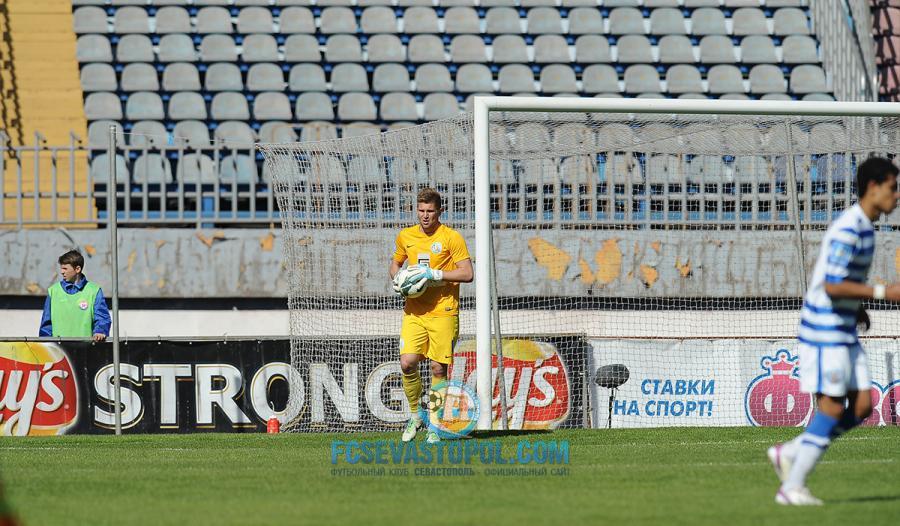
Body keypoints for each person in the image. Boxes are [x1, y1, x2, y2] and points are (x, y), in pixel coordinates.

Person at [767, 157, 900, 505]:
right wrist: (884, 292)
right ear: (873, 187)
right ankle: (792, 487)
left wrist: (859, 309)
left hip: (843, 329)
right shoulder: (849, 228)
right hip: (824, 330)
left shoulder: (866, 228)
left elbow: (844, 280)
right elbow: (831, 284)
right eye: (893, 187)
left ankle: (792, 450)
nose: (897, 195)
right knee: (830, 409)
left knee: (863, 407)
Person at [389, 188, 473, 444]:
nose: (425, 216)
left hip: (443, 312)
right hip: (414, 312)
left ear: (440, 211)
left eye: (430, 211)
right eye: (421, 210)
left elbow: (467, 273)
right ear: (416, 210)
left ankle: (435, 426)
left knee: (438, 368)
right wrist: (399, 280)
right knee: (407, 363)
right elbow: (395, 264)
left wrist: (435, 275)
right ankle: (416, 416)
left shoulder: (451, 237)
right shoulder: (406, 236)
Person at [39, 249, 111, 342]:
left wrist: (100, 331)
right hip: (59, 348)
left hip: (87, 348)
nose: (61, 272)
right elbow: (46, 325)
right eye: (61, 268)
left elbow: (102, 317)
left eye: (65, 268)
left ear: (77, 269)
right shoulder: (53, 291)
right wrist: (46, 344)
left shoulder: (94, 290)